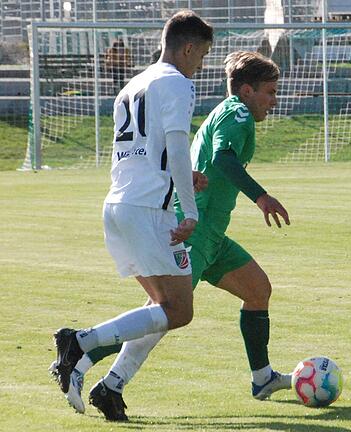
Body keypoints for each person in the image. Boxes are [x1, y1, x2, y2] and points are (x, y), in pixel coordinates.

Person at [55, 50, 293, 420]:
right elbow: (225, 157)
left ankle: (261, 378)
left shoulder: (230, 111)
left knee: (257, 290)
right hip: (194, 231)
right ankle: (91, 365)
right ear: (247, 91)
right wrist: (261, 197)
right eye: (270, 91)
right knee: (168, 311)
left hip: (214, 236)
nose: (274, 101)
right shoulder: (238, 113)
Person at [49, 10, 213, 421]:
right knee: (180, 310)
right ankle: (80, 342)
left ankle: (105, 383)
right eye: (202, 56)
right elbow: (176, 145)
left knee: (159, 305)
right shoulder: (177, 82)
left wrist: (180, 177)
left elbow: (140, 150)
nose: (201, 65)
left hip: (119, 204)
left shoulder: (133, 84)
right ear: (189, 47)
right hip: (147, 211)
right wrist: (188, 209)